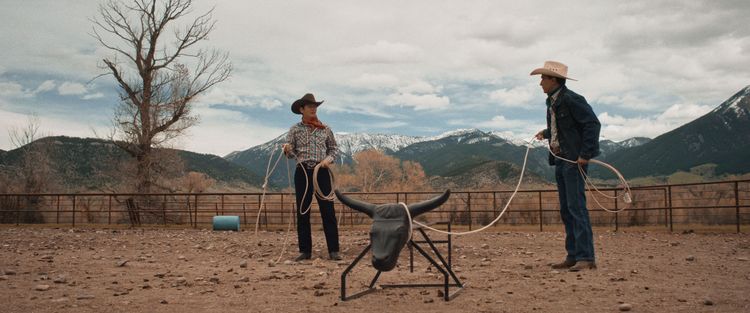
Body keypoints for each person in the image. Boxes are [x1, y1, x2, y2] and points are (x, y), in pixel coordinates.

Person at [531, 61, 601, 272]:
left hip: (573, 160)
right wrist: (546, 132)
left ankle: (585, 257)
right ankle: (573, 255)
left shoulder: (571, 99)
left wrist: (585, 153)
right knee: (567, 209)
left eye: (543, 78)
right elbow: (564, 128)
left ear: (553, 80)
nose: (540, 83)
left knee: (576, 207)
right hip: (561, 160)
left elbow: (592, 124)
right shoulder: (553, 102)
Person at [282, 93, 341, 261]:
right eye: (310, 106)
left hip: (321, 171)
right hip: (302, 170)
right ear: (302, 109)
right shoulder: (294, 129)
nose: (314, 109)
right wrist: (287, 149)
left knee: (328, 210)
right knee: (303, 211)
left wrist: (328, 160)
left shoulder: (326, 129)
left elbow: (334, 149)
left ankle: (334, 250)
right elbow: (291, 153)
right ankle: (305, 251)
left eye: (315, 106)